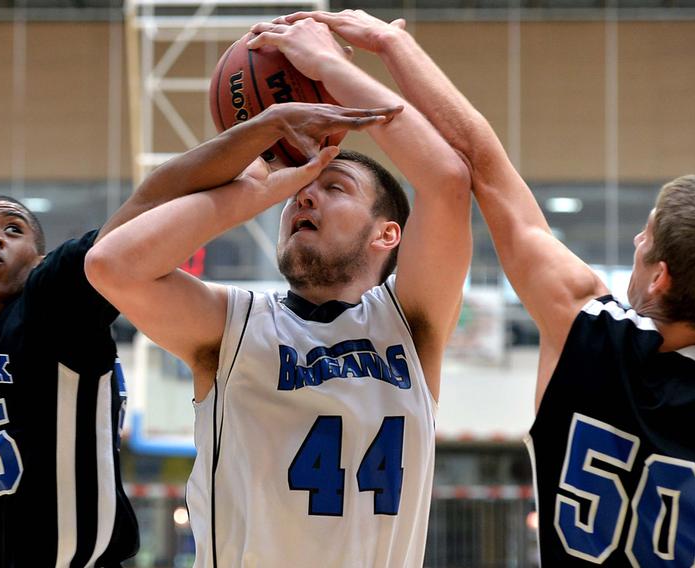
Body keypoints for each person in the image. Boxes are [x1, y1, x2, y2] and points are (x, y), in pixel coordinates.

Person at [280, 9, 695, 566]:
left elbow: (480, 159)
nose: (640, 239)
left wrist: (388, 44)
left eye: (647, 237)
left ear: (661, 276)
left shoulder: (579, 323)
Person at [85, 22, 472, 568]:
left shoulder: (410, 325)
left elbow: (447, 180)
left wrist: (331, 69)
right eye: (300, 189)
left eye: (333, 186)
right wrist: (258, 183)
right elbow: (110, 265)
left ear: (388, 234)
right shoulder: (233, 327)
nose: (306, 196)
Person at [0, 102, 388, 568]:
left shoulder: (49, 300)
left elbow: (148, 201)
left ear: (39, 261)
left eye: (12, 230)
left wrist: (264, 130)